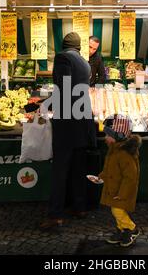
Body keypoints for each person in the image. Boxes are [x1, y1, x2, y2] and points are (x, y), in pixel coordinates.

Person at [40, 32, 96, 229]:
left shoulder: (63, 58)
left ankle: (55, 215)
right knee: (78, 167)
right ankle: (79, 207)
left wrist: (42, 105)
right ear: (79, 46)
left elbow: (63, 90)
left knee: (60, 170)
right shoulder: (84, 62)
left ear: (63, 45)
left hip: (67, 121)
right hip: (82, 120)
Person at [97, 114, 142, 247]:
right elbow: (109, 169)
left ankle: (132, 229)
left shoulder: (124, 154)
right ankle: (122, 231)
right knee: (116, 211)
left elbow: (130, 177)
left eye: (108, 135)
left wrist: (122, 194)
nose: (105, 138)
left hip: (122, 192)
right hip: (114, 189)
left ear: (117, 137)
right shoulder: (114, 150)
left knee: (117, 211)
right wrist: (101, 176)